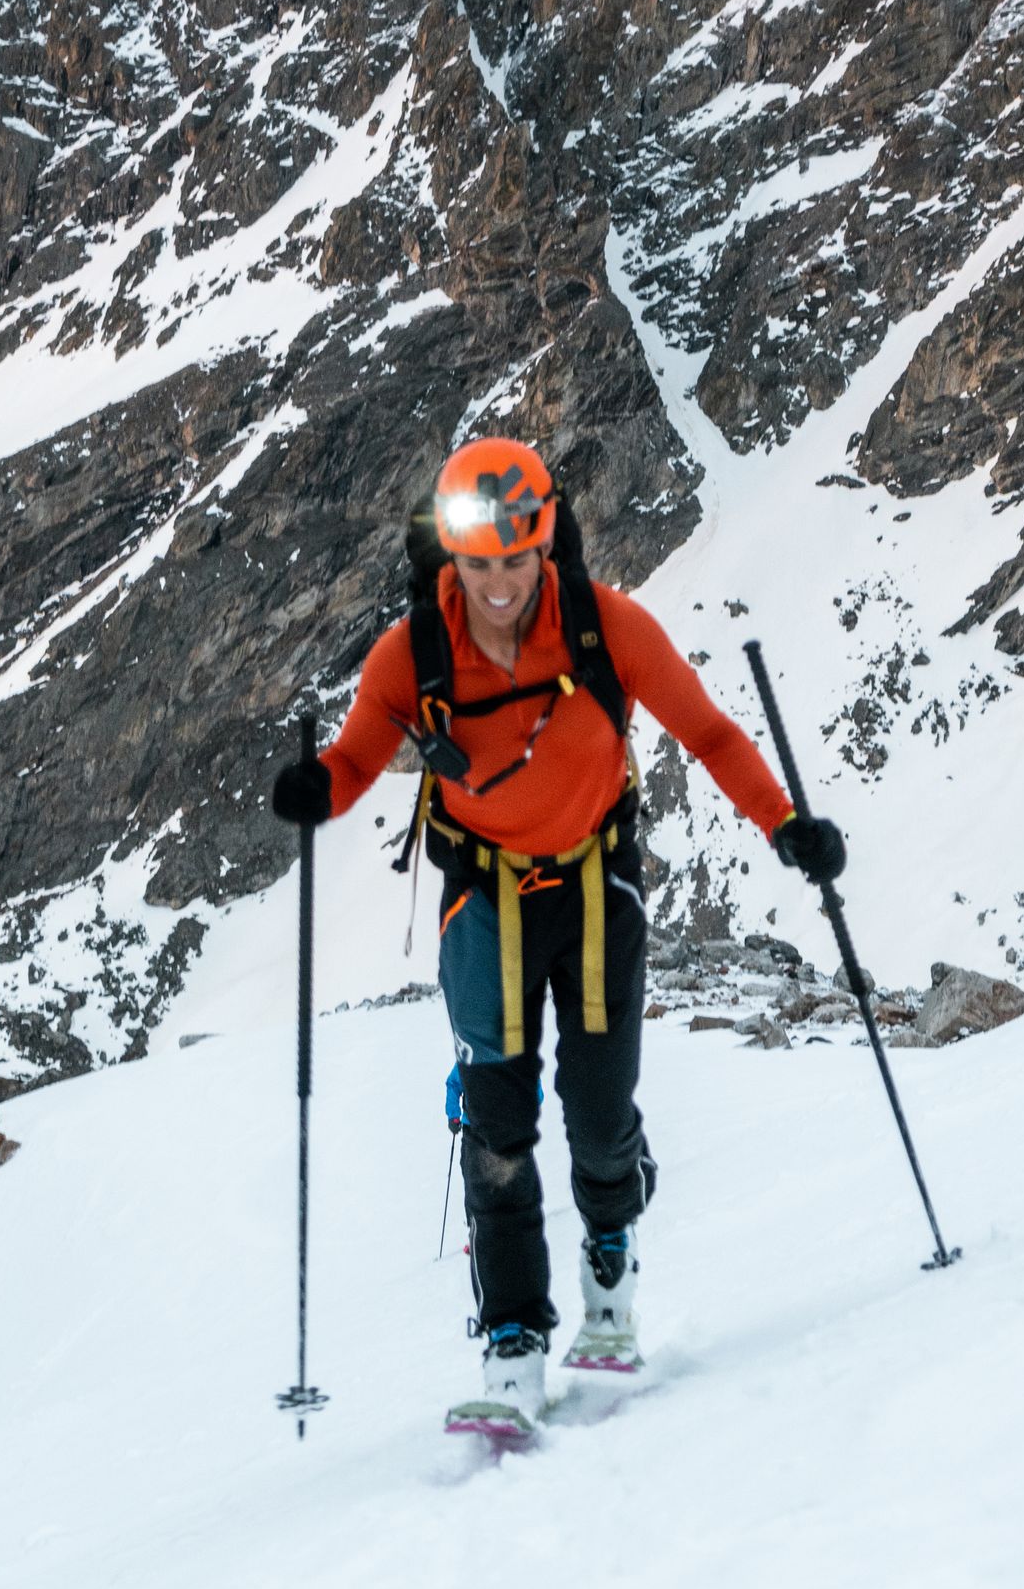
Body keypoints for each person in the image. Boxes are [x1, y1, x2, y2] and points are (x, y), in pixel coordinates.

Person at [272, 435, 845, 1435]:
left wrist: (784, 824)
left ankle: (609, 1252)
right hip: (480, 897)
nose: (497, 583)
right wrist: (317, 788)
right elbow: (359, 752)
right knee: (495, 1123)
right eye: (477, 562)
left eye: (515, 557)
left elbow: (705, 731)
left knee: (593, 1105)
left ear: (545, 541)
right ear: (451, 556)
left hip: (593, 881)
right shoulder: (412, 652)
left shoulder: (604, 626)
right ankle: (510, 1339)